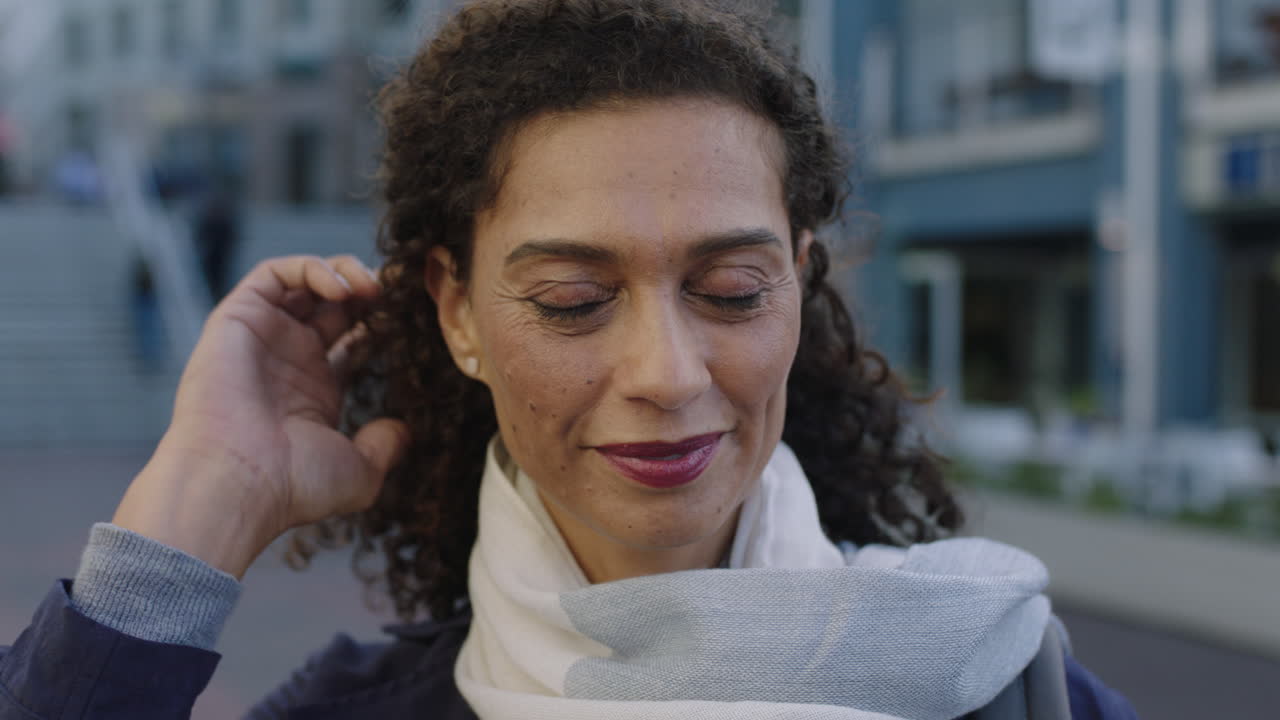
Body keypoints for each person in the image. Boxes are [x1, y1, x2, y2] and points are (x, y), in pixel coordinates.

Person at [0, 1, 1138, 718]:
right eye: (574, 299)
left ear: (799, 277)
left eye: (730, 290)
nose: (667, 370)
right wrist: (190, 516)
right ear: (456, 313)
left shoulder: (997, 678)